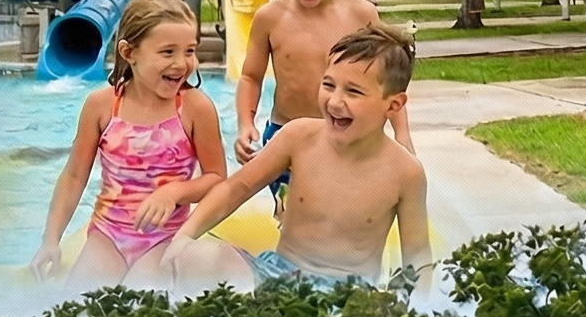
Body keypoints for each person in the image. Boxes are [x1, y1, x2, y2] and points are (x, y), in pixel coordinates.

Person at [160, 23, 432, 291]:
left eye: (353, 91)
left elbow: (417, 254)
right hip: (278, 273)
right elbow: (235, 188)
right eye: (328, 85)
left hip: (348, 294)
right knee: (203, 257)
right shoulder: (299, 136)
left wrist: (416, 312)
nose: (335, 101)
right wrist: (184, 237)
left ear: (393, 104)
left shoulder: (405, 172)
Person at [29, 0, 228, 287]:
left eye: (189, 51)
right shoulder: (102, 105)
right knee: (78, 306)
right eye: (167, 52)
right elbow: (74, 176)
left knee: (139, 302)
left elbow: (217, 178)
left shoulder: (195, 108)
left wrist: (172, 192)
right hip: (108, 235)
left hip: (165, 238)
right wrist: (50, 240)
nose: (182, 63)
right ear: (129, 52)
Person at [233, 0, 407, 207]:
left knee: (346, 214)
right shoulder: (269, 18)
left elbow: (387, 80)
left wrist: (402, 134)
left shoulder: (361, 13)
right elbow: (251, 77)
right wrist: (245, 123)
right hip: (286, 138)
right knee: (293, 220)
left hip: (349, 133)